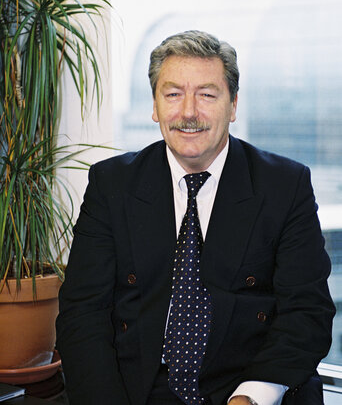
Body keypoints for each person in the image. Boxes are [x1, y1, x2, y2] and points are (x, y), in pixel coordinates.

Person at [56, 30, 335, 405]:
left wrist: (253, 396)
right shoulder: (112, 185)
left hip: (246, 388)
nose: (188, 112)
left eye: (206, 94)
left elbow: (307, 313)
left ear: (233, 106)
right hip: (138, 391)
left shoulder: (285, 186)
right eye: (173, 94)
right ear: (155, 106)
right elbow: (83, 314)